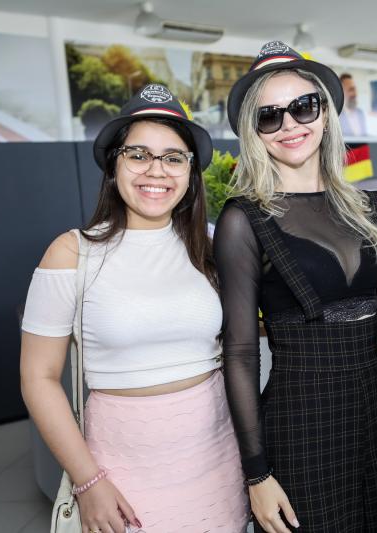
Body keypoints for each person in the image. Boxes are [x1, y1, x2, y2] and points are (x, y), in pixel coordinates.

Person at [20, 84, 249, 533]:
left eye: (173, 158)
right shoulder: (72, 252)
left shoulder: (210, 246)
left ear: (190, 172)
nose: (156, 170)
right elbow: (38, 378)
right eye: (138, 154)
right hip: (119, 473)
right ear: (114, 164)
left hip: (218, 461)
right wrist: (88, 482)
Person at [216, 41, 377, 532]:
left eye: (302, 106)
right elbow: (240, 353)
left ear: (325, 113)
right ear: (253, 132)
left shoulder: (368, 207)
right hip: (303, 422)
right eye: (269, 116)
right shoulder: (244, 219)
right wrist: (257, 474)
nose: (289, 124)